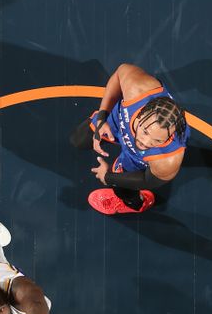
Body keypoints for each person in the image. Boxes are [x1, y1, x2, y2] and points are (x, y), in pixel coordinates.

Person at [70, 63, 190, 215]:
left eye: (157, 141)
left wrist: (108, 177)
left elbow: (148, 180)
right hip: (118, 122)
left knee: (122, 189)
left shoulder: (168, 159)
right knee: (79, 140)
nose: (146, 143)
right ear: (140, 115)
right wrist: (102, 118)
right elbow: (119, 74)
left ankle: (138, 203)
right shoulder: (138, 89)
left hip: (138, 158)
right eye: (146, 132)